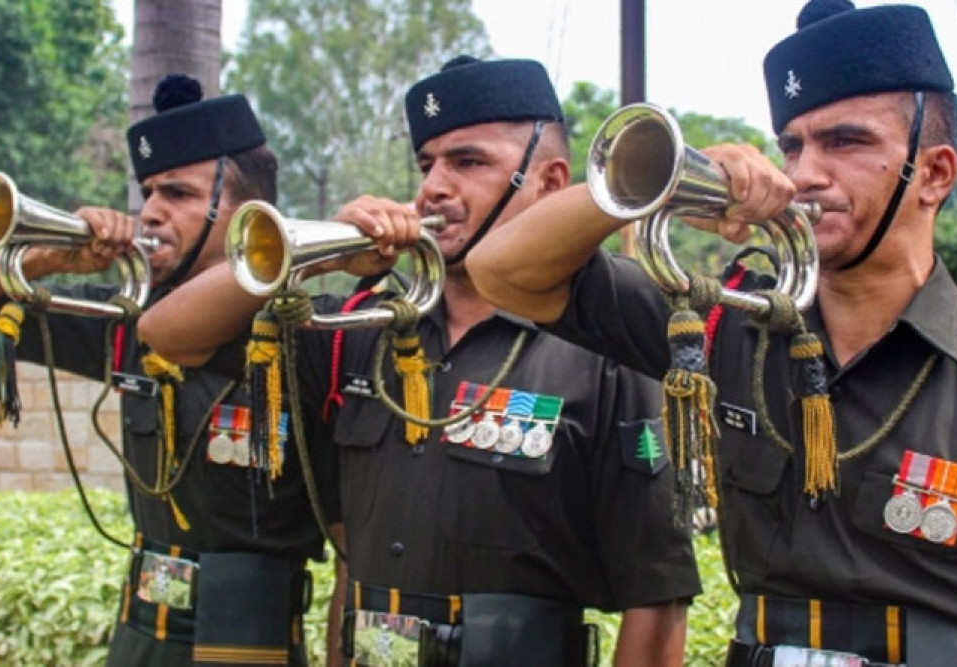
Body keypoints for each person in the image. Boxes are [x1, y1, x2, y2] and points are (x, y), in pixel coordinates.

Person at [466, 2, 957, 665]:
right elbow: (503, 271)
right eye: (793, 144)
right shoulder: (730, 329)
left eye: (846, 141)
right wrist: (657, 184)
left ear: (934, 174)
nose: (806, 172)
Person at [137, 56, 700, 666]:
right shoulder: (363, 328)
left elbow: (656, 598)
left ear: (549, 179)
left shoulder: (605, 349)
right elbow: (170, 335)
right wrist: (324, 252)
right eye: (426, 164)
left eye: (468, 162)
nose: (433, 187)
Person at [0, 74, 336, 666]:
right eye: (147, 194)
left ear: (251, 213)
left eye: (179, 195)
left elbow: (350, 536)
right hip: (143, 632)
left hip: (250, 642)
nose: (151, 214)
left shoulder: (311, 335)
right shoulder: (125, 317)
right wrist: (49, 253)